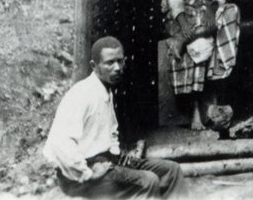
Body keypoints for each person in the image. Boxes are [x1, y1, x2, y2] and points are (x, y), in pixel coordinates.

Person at [44, 36, 184, 198]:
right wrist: (86, 173)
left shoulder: (106, 90)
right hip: (79, 177)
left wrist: (117, 158)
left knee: (171, 171)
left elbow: (110, 133)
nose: (117, 68)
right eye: (110, 63)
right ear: (94, 66)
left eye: (120, 61)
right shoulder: (81, 94)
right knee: (148, 181)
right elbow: (60, 143)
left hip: (106, 162)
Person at [161, 0, 240, 130]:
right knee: (199, 43)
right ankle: (195, 111)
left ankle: (181, 40)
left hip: (208, 11)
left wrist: (212, 10)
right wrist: (182, 22)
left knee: (232, 11)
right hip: (182, 14)